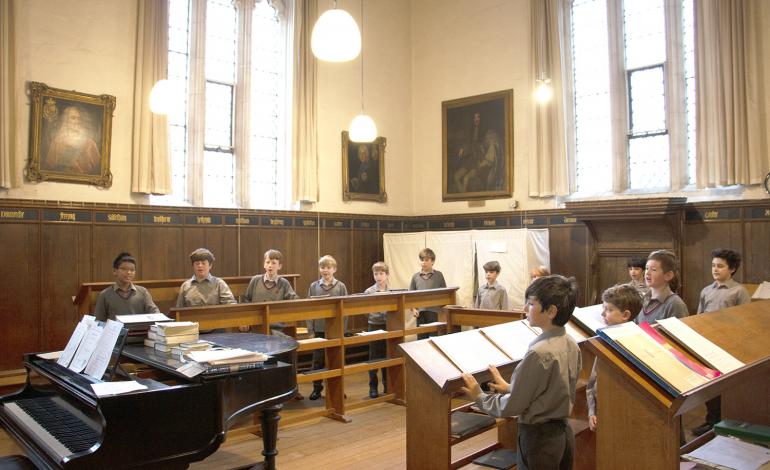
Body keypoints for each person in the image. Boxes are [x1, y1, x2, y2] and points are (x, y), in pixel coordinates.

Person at [461, 275, 581, 470]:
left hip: (538, 437)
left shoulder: (539, 353)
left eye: (531, 303)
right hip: (562, 432)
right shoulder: (570, 343)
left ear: (551, 311)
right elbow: (552, 390)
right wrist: (510, 387)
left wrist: (479, 397)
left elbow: (512, 407)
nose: (525, 308)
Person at [692, 248, 752, 436]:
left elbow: (745, 320)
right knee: (709, 386)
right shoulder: (706, 291)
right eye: (713, 266)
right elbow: (699, 317)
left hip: (728, 346)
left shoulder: (738, 291)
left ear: (732, 269)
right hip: (707, 345)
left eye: (720, 266)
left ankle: (727, 423)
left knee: (727, 388)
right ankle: (711, 421)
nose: (715, 269)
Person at [586, 284, 642, 432]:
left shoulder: (639, 342)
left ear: (625, 315)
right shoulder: (605, 339)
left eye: (609, 310)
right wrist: (592, 411)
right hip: (604, 410)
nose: (603, 314)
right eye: (603, 308)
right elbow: (593, 381)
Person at [306, 255, 348, 400]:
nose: (325, 270)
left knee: (336, 360)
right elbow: (308, 310)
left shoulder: (341, 286)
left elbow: (346, 310)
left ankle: (337, 388)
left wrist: (343, 329)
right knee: (318, 361)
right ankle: (317, 389)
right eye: (322, 267)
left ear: (334, 269)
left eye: (328, 267)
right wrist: (310, 330)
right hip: (318, 330)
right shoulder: (313, 286)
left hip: (336, 330)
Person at [242, 249, 299, 332]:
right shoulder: (255, 280)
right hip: (256, 327)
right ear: (264, 265)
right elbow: (246, 301)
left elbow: (294, 300)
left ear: (279, 266)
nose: (270, 265)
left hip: (277, 328)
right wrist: (246, 320)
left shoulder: (284, 283)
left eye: (273, 263)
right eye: (267, 262)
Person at [94, 252, 159, 322]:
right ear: (115, 271)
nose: (128, 272)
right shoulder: (105, 295)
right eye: (124, 269)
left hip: (140, 332)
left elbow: (155, 313)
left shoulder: (143, 292)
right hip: (116, 332)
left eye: (132, 270)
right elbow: (98, 321)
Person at [635, 250, 688, 324]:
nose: (647, 273)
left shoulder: (675, 304)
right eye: (647, 268)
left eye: (653, 270)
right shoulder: (643, 299)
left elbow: (680, 333)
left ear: (668, 275)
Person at [44, 106, 101, 174]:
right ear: (66, 120)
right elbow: (49, 167)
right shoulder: (57, 142)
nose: (77, 121)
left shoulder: (90, 144)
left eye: (79, 119)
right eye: (73, 118)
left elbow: (99, 169)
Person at [364, 261, 390, 398]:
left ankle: (387, 385)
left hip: (388, 326)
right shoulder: (369, 291)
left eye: (381, 273)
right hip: (374, 325)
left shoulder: (392, 291)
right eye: (376, 274)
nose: (378, 276)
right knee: (374, 357)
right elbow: (364, 310)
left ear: (386, 275)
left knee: (387, 356)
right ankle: (373, 387)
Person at [409, 248, 447, 339]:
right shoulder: (415, 277)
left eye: (426, 260)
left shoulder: (439, 275)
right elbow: (410, 296)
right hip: (420, 313)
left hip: (434, 313)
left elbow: (445, 294)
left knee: (433, 338)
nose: (423, 262)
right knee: (421, 339)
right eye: (422, 260)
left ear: (432, 261)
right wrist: (414, 309)